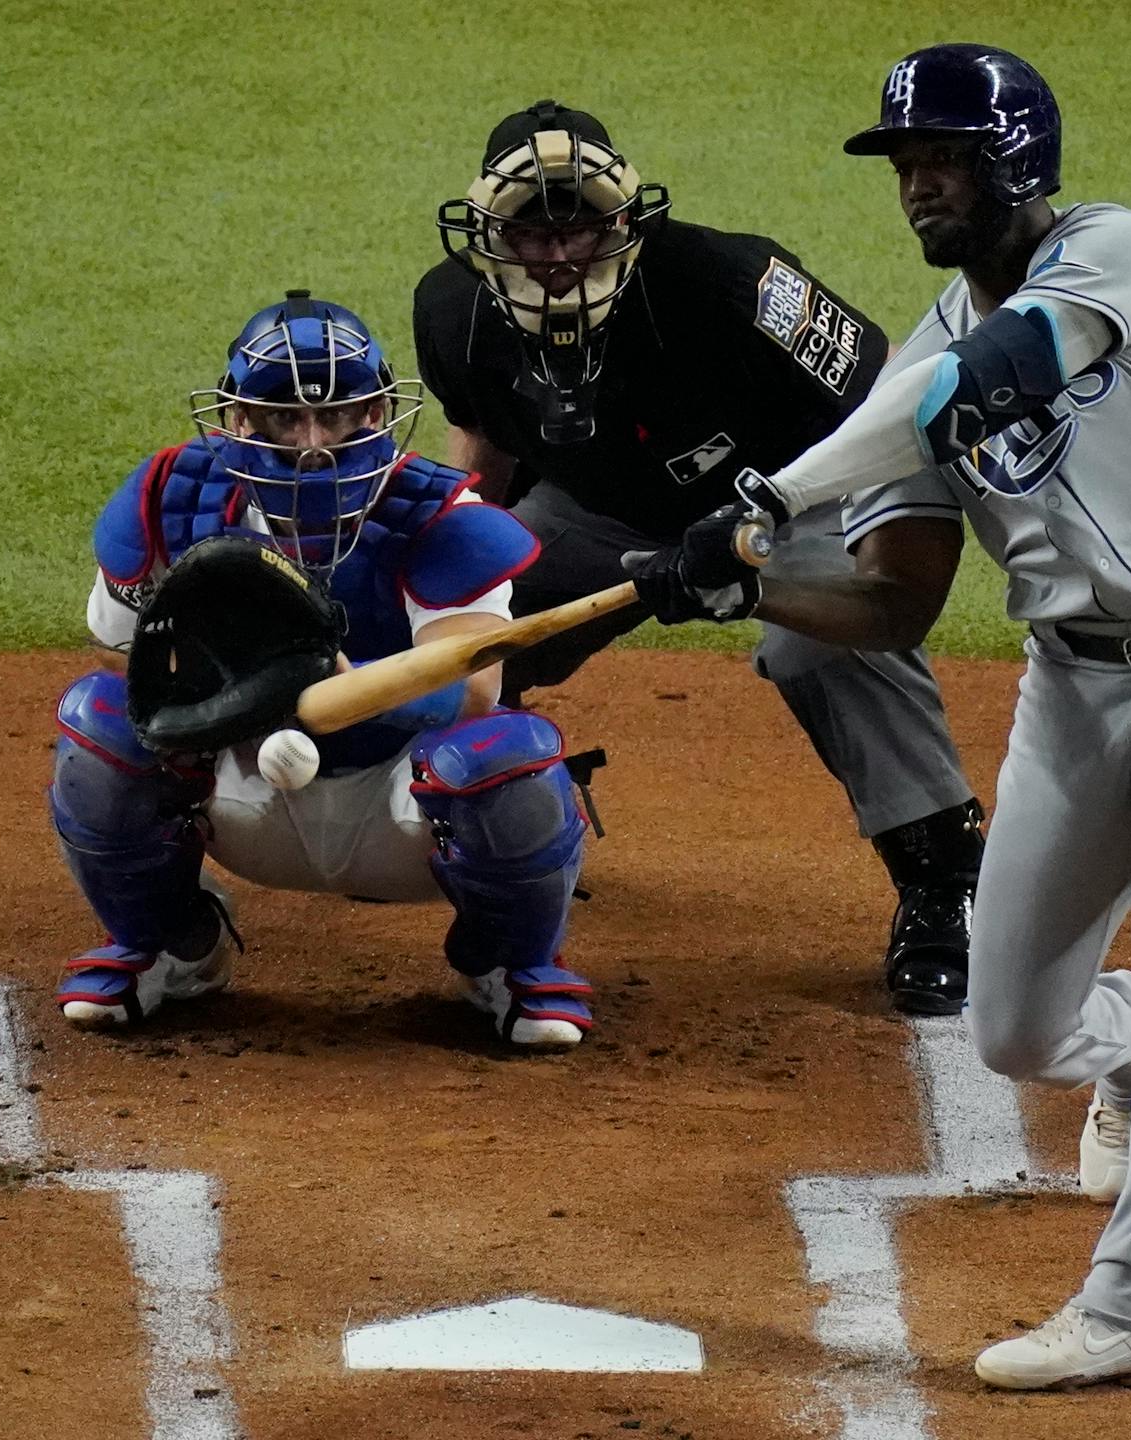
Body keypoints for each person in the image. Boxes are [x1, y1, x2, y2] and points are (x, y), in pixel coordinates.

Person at [625, 44, 1131, 1389]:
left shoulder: (1124, 255)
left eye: (944, 157)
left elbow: (992, 377)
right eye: (905, 164)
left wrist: (768, 502)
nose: (919, 185)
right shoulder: (918, 368)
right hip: (1075, 693)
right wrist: (743, 580)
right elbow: (893, 602)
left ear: (1019, 161)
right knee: (1014, 1030)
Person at [411, 100, 986, 1016]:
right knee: (458, 627)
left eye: (580, 228)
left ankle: (944, 881)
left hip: (791, 499)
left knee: (822, 644)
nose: (558, 255)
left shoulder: (729, 281)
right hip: (601, 513)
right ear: (490, 234)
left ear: (624, 222)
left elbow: (888, 401)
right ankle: (491, 815)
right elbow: (485, 453)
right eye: (531, 232)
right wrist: (459, 586)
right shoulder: (453, 309)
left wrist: (802, 531)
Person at [49, 290, 598, 1049]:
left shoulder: (440, 516)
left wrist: (335, 677)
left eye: (336, 415)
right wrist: (231, 686)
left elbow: (473, 688)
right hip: (241, 794)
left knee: (508, 754)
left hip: (398, 806)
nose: (313, 443)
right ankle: (170, 948)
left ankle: (507, 963)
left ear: (375, 412)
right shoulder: (175, 499)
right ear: (242, 418)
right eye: (285, 416)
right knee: (100, 720)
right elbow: (120, 651)